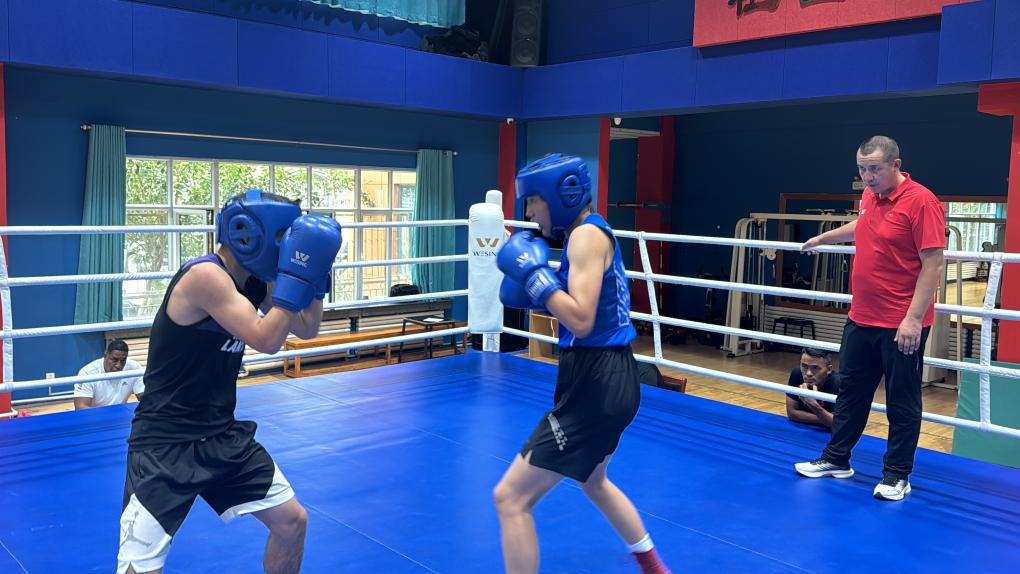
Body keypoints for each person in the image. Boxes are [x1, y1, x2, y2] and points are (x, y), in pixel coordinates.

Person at [117, 189, 342, 574]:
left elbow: (307, 328)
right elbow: (267, 339)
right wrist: (296, 276)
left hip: (221, 435)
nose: (285, 246)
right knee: (140, 568)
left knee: (292, 522)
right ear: (249, 234)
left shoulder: (255, 281)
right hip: (167, 443)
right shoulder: (205, 276)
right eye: (281, 236)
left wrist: (315, 277)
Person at [494, 154, 670, 574]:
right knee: (594, 482)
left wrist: (535, 278)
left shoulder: (585, 237)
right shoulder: (589, 232)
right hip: (605, 375)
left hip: (597, 381)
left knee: (510, 498)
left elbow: (581, 319)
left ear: (562, 194)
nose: (529, 213)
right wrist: (538, 287)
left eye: (533, 200)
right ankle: (654, 567)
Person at [795, 136, 946, 501]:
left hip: (900, 323)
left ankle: (897, 475)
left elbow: (933, 263)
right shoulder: (869, 196)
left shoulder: (922, 201)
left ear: (896, 165)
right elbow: (862, 227)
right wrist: (823, 238)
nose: (867, 176)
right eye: (862, 169)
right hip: (862, 317)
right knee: (851, 392)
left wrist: (913, 319)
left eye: (874, 168)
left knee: (901, 400)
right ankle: (837, 459)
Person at [73, 339, 145, 409]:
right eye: (114, 360)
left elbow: (144, 398)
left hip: (121, 412)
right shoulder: (88, 372)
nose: (118, 365)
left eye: (123, 360)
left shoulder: (134, 368)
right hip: (95, 414)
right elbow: (80, 407)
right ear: (105, 355)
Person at [785, 348, 842, 429]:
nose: (808, 373)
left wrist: (813, 405)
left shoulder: (838, 383)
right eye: (804, 366)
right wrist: (826, 419)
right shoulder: (797, 374)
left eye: (816, 368)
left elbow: (839, 424)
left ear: (829, 369)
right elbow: (792, 413)